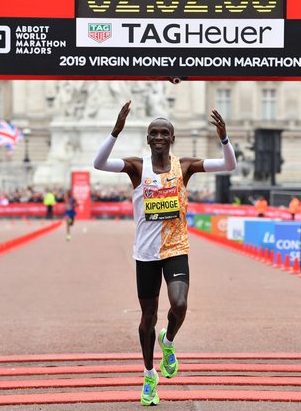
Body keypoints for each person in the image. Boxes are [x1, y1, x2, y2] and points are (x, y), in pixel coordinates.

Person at [93, 100, 236, 406]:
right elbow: (99, 164)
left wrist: (224, 139)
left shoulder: (183, 167)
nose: (158, 137)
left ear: (172, 139)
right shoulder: (137, 167)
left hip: (175, 248)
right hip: (145, 253)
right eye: (153, 133)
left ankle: (168, 341)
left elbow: (228, 166)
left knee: (180, 304)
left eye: (164, 133)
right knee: (147, 316)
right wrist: (115, 131)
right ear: (148, 139)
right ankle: (148, 376)